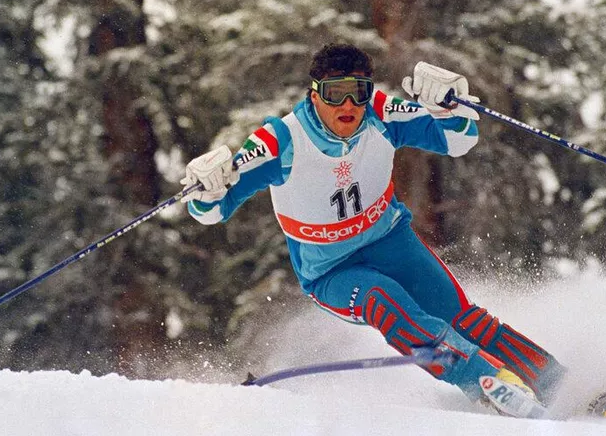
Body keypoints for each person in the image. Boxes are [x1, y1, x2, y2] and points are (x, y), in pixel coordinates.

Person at [181, 42, 565, 407]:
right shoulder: (281, 142)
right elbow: (211, 211)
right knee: (383, 300)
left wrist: (448, 108)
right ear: (315, 95)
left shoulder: (381, 113)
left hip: (392, 243)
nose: (349, 105)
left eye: (359, 92)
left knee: (466, 320)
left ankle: (560, 385)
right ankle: (484, 379)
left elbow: (458, 141)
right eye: (335, 93)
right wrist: (208, 189)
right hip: (332, 270)